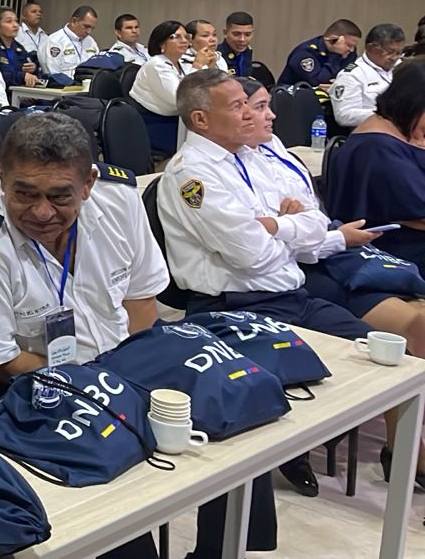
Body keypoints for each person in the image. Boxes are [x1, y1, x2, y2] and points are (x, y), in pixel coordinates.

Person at [160, 70, 410, 502]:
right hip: (234, 309)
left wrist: (279, 226)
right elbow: (250, 254)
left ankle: (403, 459)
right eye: (238, 106)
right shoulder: (192, 176)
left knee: (392, 360)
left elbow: (314, 218)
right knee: (312, 385)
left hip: (291, 296)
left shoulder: (247, 157)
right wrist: (287, 231)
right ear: (201, 120)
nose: (251, 113)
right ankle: (289, 453)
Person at [240, 74, 425, 492]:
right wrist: (295, 224)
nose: (272, 115)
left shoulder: (277, 153)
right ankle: (402, 451)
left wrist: (292, 223)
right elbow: (259, 234)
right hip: (308, 268)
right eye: (255, 106)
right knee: (411, 326)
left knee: (409, 333)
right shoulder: (219, 168)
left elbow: (309, 217)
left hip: (331, 252)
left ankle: (405, 446)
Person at [0, 113, 167, 375]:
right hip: (45, 386)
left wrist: (136, 375)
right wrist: (95, 384)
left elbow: (140, 300)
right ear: (2, 177)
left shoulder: (119, 198)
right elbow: (1, 360)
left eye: (60, 197)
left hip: (127, 363)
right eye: (26, 194)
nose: (42, 212)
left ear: (88, 184)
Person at [327, 59, 425, 269]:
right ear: (415, 104)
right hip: (395, 252)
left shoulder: (402, 131)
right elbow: (417, 213)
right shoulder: (376, 148)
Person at [128, 20, 193, 153]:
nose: (184, 41)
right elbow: (179, 98)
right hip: (152, 122)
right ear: (162, 43)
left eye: (186, 36)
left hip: (175, 119)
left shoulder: (182, 63)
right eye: (176, 37)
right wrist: (198, 67)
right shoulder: (157, 65)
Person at [330, 23, 405, 127]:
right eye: (389, 52)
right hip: (374, 132)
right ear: (371, 48)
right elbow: (344, 115)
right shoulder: (352, 75)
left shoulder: (403, 68)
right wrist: (385, 116)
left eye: (398, 53)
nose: (394, 58)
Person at [278, 18, 362, 86]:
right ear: (333, 40)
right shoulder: (305, 53)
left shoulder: (349, 53)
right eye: (349, 45)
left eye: (353, 46)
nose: (351, 50)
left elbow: (348, 78)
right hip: (292, 100)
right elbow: (318, 82)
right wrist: (335, 55)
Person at [40, 5, 99, 78]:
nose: (89, 31)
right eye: (86, 27)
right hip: (62, 87)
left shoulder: (90, 41)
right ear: (74, 21)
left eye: (92, 28)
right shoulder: (54, 41)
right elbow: (53, 74)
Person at [0, 6, 37, 87]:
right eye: (9, 21)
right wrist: (22, 76)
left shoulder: (19, 47)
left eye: (16, 21)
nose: (15, 25)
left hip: (19, 93)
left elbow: (28, 70)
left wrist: (33, 69)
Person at [221, 11, 255, 76]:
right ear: (225, 32)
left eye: (248, 34)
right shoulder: (217, 55)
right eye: (236, 34)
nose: (242, 39)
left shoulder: (247, 51)